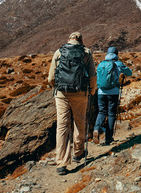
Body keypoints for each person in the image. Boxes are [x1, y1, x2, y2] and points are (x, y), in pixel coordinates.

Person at [48, 32, 96, 176]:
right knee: (79, 121)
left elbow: (51, 77)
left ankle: (61, 162)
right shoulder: (86, 52)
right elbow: (92, 75)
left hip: (62, 93)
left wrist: (56, 87)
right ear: (81, 41)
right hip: (80, 93)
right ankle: (78, 152)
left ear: (68, 39)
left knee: (62, 125)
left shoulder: (59, 51)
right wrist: (92, 91)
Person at [92, 47, 132, 146]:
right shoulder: (118, 63)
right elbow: (129, 73)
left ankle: (96, 128)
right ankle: (108, 138)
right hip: (113, 92)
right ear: (116, 54)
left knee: (102, 111)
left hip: (101, 92)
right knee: (111, 114)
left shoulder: (102, 64)